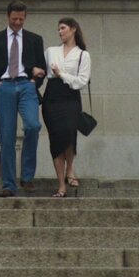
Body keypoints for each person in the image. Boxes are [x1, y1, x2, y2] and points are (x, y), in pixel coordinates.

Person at [0, 0, 47, 197]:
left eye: (21, 19)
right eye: (14, 19)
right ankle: (8, 185)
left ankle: (27, 177)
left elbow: (42, 67)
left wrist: (34, 81)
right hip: (4, 87)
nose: (17, 22)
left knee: (33, 125)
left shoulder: (35, 39)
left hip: (26, 86)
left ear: (25, 18)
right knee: (6, 136)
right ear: (8, 16)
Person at [42, 17, 91, 198]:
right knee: (56, 139)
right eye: (58, 29)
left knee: (69, 132)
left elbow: (81, 81)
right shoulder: (50, 51)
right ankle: (61, 185)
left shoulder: (83, 55)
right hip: (52, 97)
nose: (60, 32)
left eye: (63, 28)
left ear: (73, 29)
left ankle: (70, 169)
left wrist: (61, 74)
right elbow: (40, 69)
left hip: (71, 97)